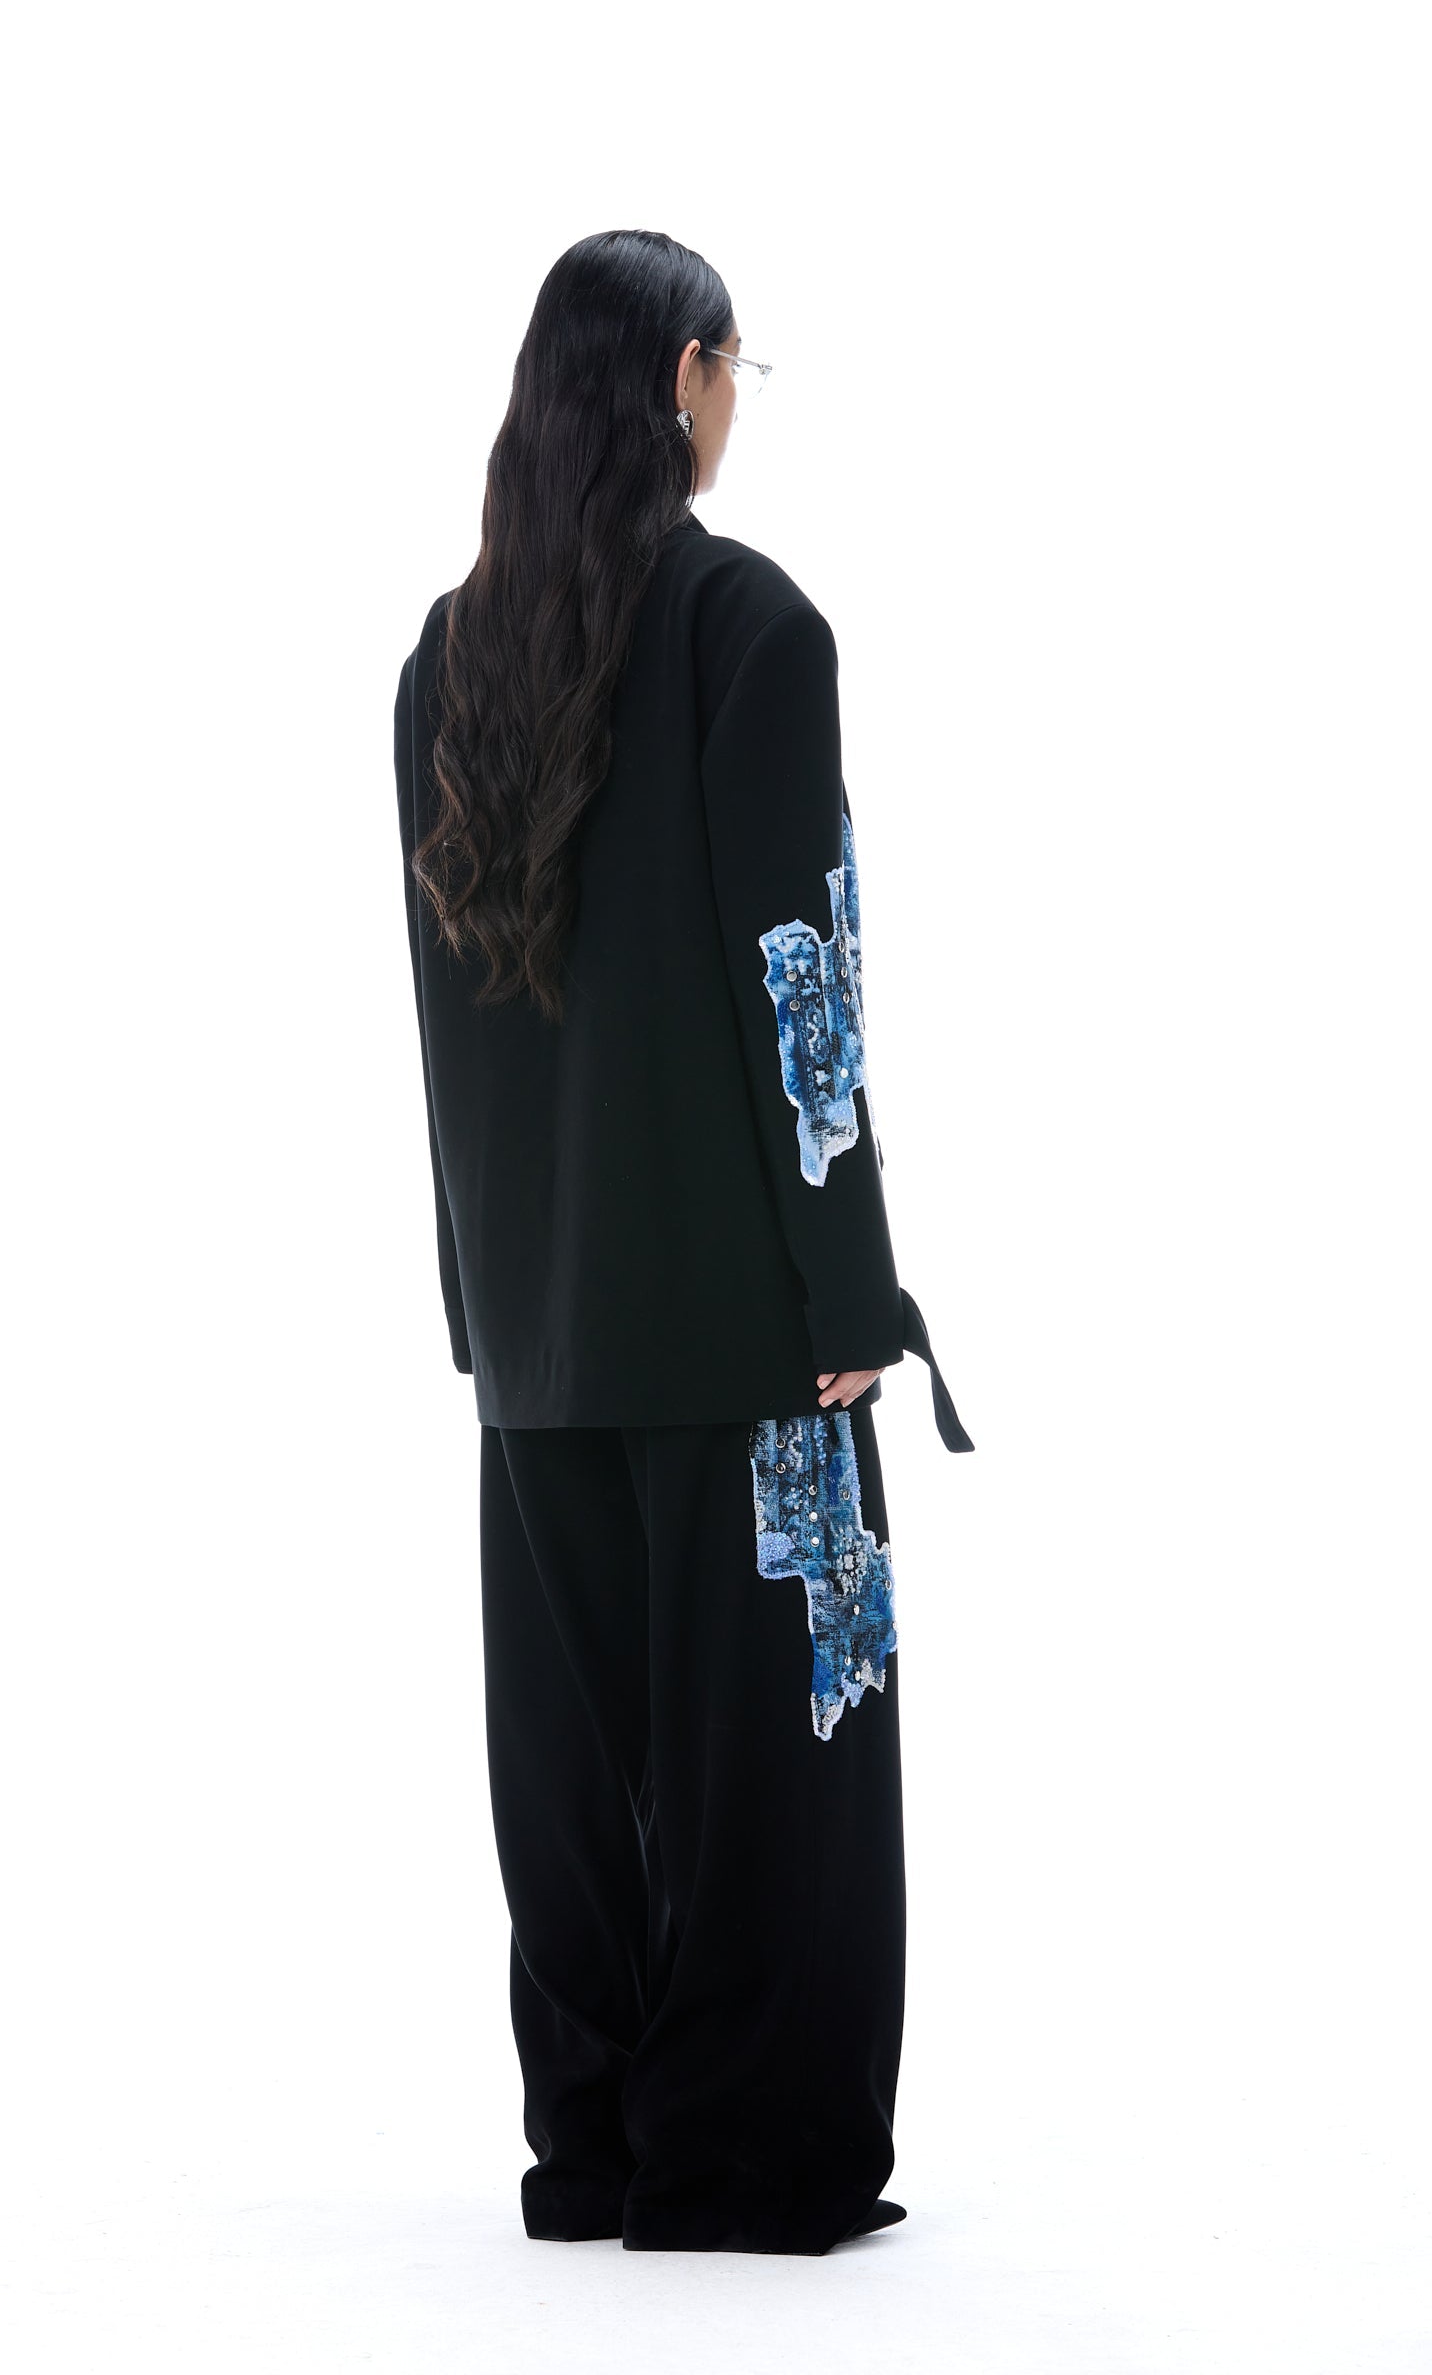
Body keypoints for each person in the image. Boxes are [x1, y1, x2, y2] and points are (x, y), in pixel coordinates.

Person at [393, 229, 973, 2257]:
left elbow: (441, 1007)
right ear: (683, 379)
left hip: (540, 1339)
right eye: (737, 367)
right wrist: (849, 1286)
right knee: (774, 1760)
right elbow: (799, 984)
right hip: (746, 1337)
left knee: (577, 1767)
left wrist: (483, 1303)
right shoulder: (751, 630)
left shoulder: (446, 661)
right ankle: (748, 2162)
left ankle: (597, 2152)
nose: (739, 402)